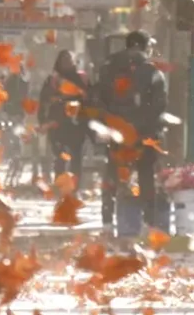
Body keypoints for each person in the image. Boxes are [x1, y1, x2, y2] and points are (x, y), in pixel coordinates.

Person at [97, 30, 167, 231]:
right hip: (143, 134)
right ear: (144, 46)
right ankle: (149, 222)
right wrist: (146, 128)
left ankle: (107, 220)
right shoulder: (152, 72)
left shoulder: (108, 69)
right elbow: (159, 104)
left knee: (112, 173)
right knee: (146, 175)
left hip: (116, 133)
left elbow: (99, 99)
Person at [38, 50, 90, 189]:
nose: (67, 62)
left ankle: (75, 188)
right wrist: (43, 121)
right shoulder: (53, 80)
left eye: (70, 59)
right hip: (57, 123)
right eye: (64, 59)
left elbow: (90, 98)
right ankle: (60, 186)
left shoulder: (82, 78)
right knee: (60, 156)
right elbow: (44, 100)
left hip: (77, 123)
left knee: (76, 158)